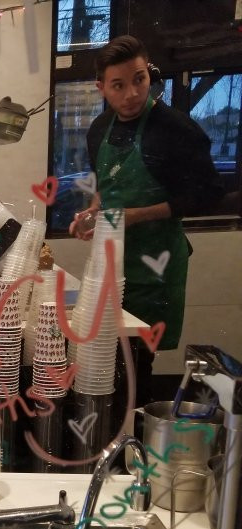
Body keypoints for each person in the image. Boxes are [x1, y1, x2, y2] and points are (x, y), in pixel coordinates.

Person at [69, 35, 224, 406]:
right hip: (111, 261)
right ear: (101, 88)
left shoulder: (176, 129)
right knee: (104, 354)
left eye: (139, 79)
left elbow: (209, 194)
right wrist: (94, 210)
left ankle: (134, 427)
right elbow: (106, 184)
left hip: (156, 265)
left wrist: (138, 215)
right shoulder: (99, 129)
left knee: (137, 360)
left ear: (148, 74)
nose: (132, 94)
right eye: (118, 85)